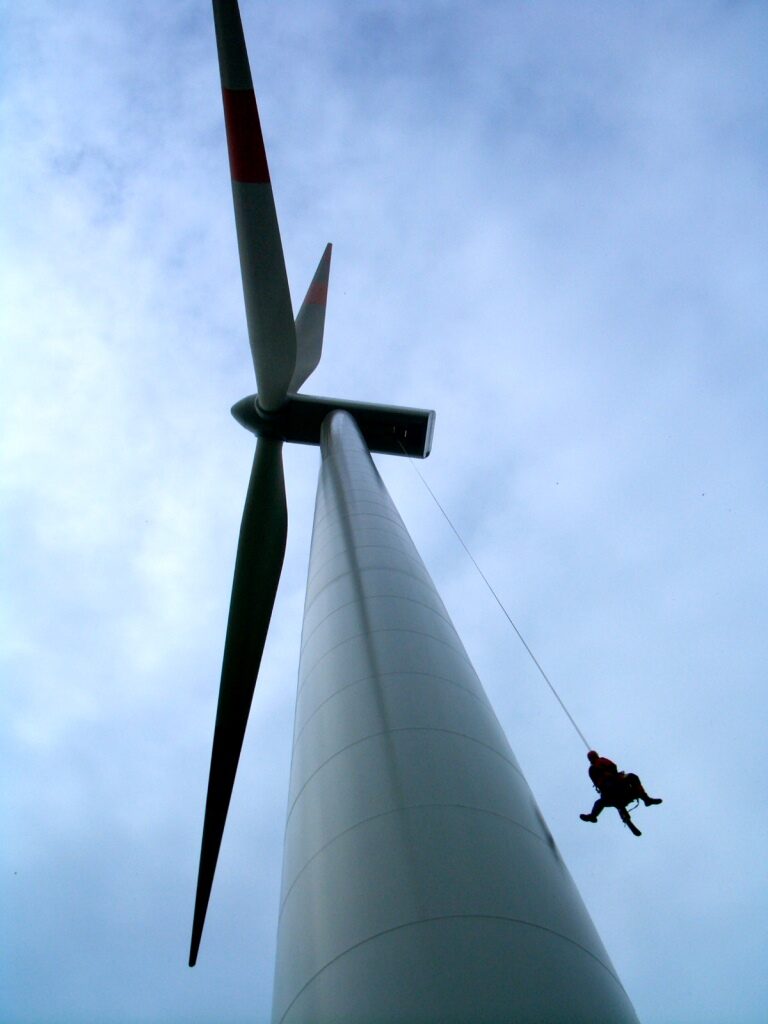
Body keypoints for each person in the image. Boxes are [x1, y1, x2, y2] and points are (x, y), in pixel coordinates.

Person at [579, 750, 662, 837]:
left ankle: (646, 799)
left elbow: (613, 767)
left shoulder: (601, 761)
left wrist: (609, 772)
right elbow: (598, 780)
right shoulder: (593, 768)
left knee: (632, 778)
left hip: (619, 787)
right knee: (607, 802)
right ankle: (593, 816)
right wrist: (604, 774)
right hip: (609, 792)